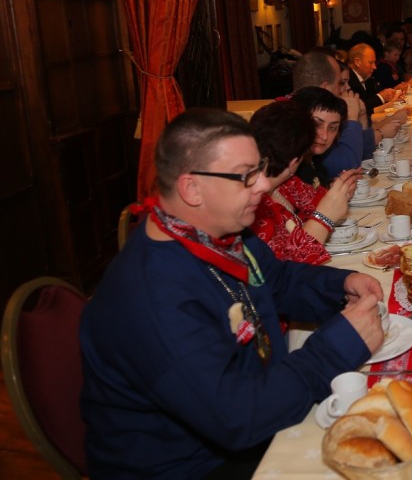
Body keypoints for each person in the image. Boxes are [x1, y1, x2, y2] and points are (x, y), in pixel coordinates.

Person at [79, 109, 385, 479]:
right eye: (245, 176)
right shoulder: (151, 298)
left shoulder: (217, 231)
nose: (263, 185)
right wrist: (336, 348)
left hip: (244, 414)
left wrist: (340, 285)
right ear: (192, 189)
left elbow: (277, 281)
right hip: (190, 465)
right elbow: (238, 418)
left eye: (260, 169)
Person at [249, 100, 360, 265]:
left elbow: (319, 202)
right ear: (295, 160)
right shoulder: (253, 205)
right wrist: (323, 218)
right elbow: (285, 267)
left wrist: (339, 193)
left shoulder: (287, 184)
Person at [347, 43, 401, 114]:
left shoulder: (367, 77)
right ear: (358, 62)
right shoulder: (347, 80)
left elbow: (373, 97)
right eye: (371, 63)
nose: (374, 67)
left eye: (374, 62)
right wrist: (381, 97)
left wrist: (390, 93)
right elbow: (361, 108)